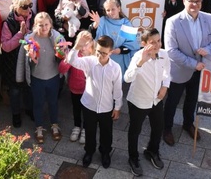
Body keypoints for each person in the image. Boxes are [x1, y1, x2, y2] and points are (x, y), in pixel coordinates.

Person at [162, 0, 211, 146]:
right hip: (180, 70)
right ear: (183, 1)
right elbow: (171, 51)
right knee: (172, 101)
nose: (194, 4)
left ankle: (188, 124)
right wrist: (194, 64)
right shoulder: (173, 22)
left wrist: (207, 50)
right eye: (191, 1)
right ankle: (166, 128)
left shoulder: (208, 18)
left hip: (200, 69)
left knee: (192, 99)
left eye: (198, 1)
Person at [66, 32, 123, 169]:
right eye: (98, 52)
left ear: (110, 52)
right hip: (89, 105)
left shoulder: (115, 68)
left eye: (104, 53)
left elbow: (117, 89)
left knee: (106, 132)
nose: (100, 56)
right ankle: (89, 152)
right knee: (90, 131)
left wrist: (117, 107)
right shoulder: (90, 61)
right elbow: (71, 61)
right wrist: (77, 46)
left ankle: (105, 153)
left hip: (106, 107)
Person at [17, 12, 68, 144]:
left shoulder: (58, 38)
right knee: (38, 103)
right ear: (35, 25)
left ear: (51, 24)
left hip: (53, 77)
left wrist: (63, 53)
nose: (44, 27)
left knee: (53, 102)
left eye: (46, 24)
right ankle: (39, 127)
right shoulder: (30, 38)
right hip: (36, 78)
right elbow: (22, 60)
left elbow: (65, 57)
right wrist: (29, 60)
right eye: (40, 25)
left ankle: (54, 124)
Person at [124, 28, 170, 176]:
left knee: (158, 127)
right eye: (152, 43)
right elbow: (127, 78)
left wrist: (165, 86)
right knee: (135, 131)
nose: (157, 45)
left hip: (156, 100)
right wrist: (141, 62)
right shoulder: (138, 57)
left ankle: (152, 151)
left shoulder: (164, 54)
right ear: (144, 44)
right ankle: (133, 158)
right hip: (138, 101)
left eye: (159, 41)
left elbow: (167, 73)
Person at [0, 0, 34, 128]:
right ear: (15, 7)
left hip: (29, 60)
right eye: (24, 7)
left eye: (30, 5)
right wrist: (21, 35)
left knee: (28, 88)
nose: (28, 9)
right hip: (12, 62)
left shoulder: (33, 17)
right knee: (15, 90)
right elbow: (6, 47)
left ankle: (29, 109)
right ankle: (16, 114)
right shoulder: (8, 23)